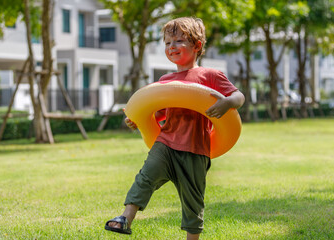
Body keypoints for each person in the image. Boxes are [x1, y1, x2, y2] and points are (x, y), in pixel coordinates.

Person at [105, 16, 245, 240]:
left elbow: (239, 97)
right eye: (168, 43)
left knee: (193, 202)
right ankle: (125, 218)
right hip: (166, 144)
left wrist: (227, 103)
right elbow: (156, 114)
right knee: (145, 177)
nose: (172, 47)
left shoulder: (210, 76)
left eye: (179, 41)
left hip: (195, 150)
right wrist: (136, 120)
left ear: (197, 45)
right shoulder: (166, 81)